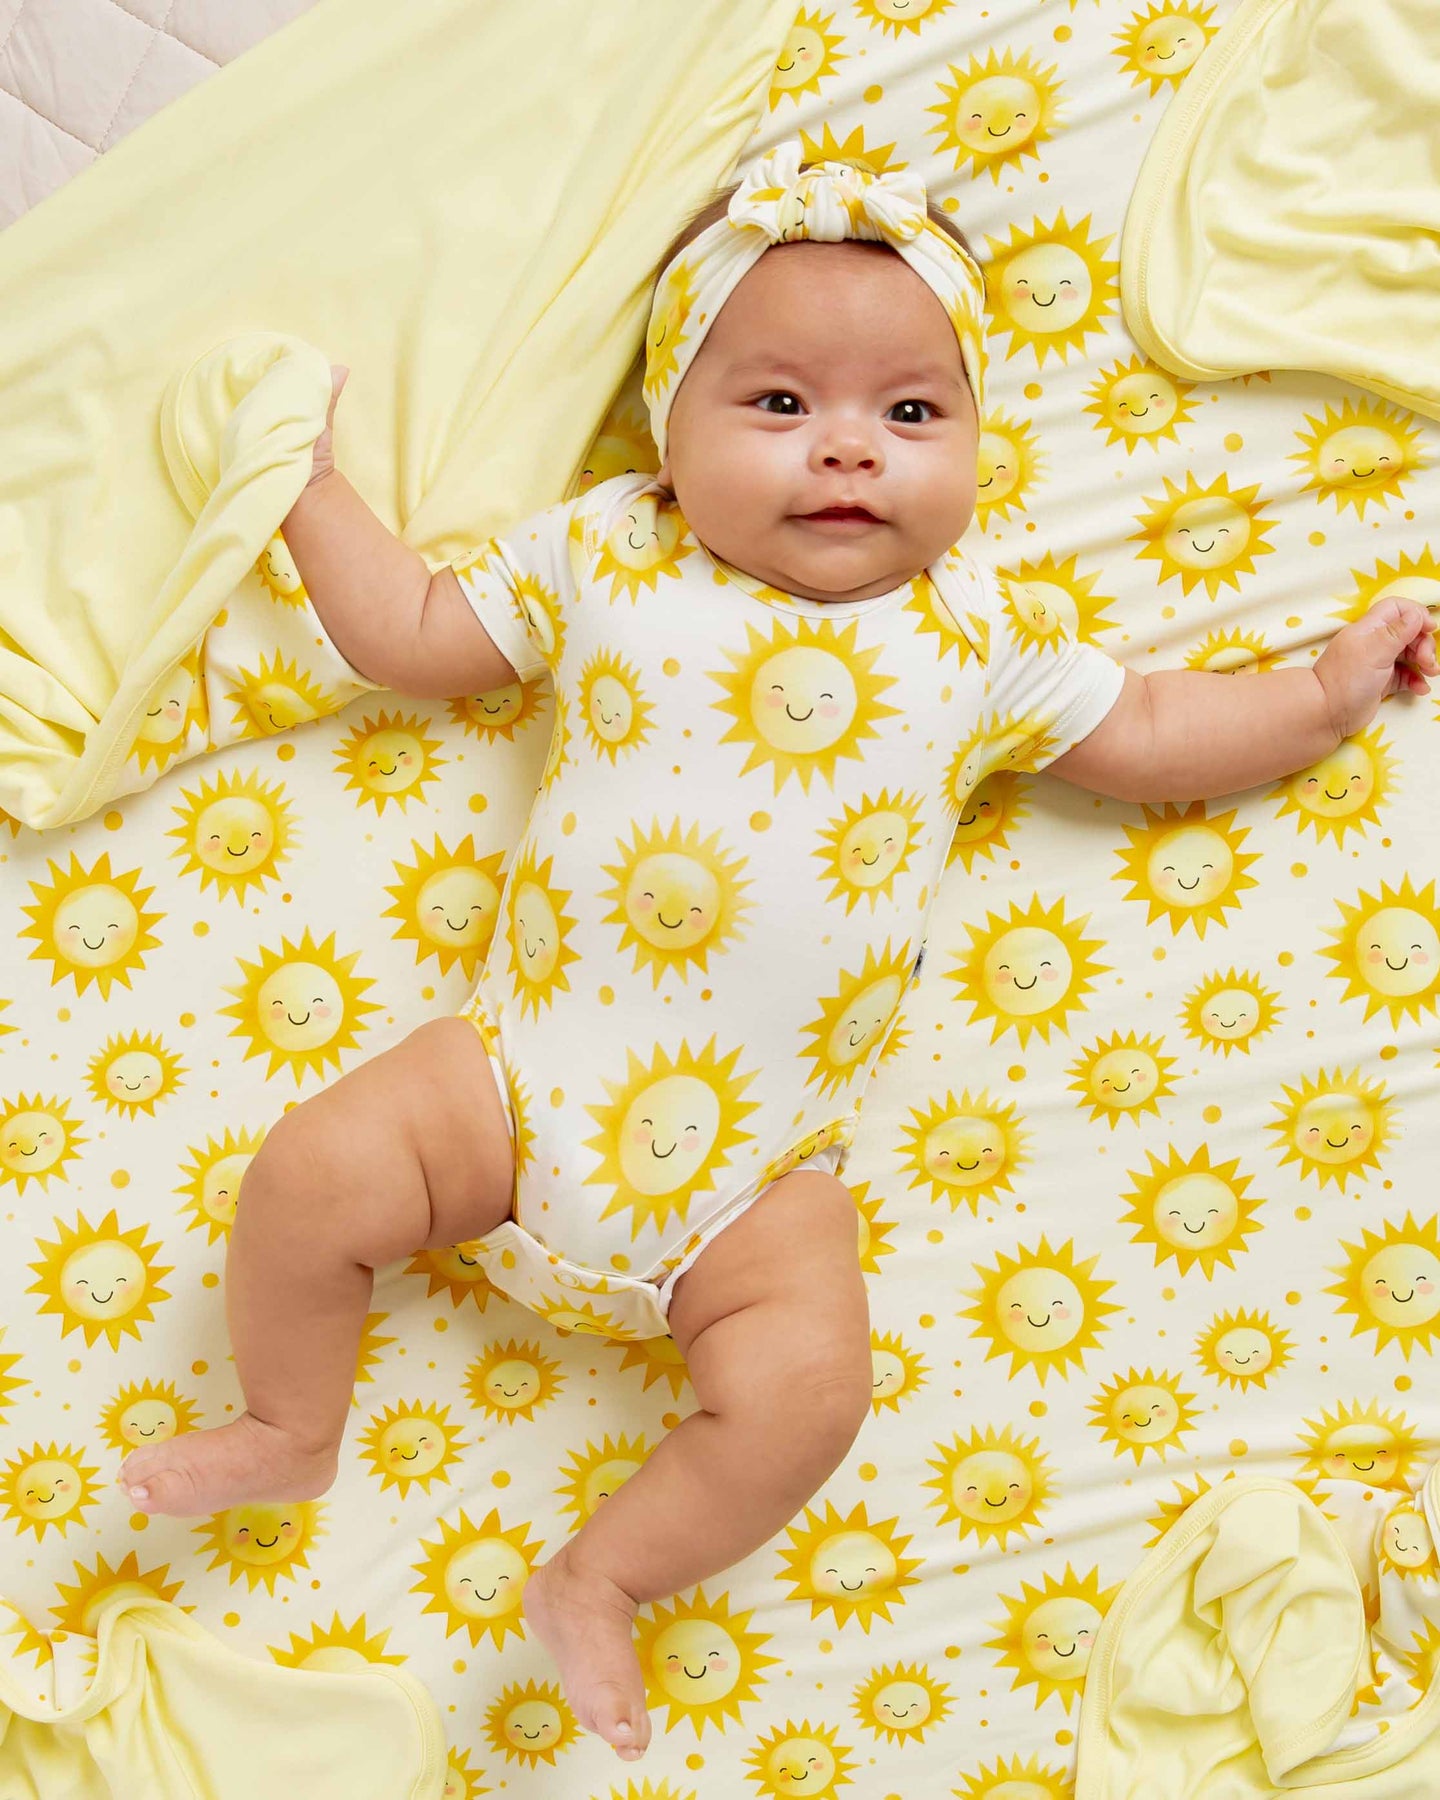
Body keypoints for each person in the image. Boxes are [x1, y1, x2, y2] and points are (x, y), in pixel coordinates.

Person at [116, 141, 1437, 1761]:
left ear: (974, 442)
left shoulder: (980, 631)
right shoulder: (609, 553)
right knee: (314, 1175)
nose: (848, 451)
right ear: (670, 431)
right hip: (511, 1090)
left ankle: (605, 1574)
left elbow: (1158, 729)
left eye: (912, 412)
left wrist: (1321, 693)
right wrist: (312, 489)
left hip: (753, 1182)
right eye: (780, 404)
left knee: (814, 1392)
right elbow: (412, 634)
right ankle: (289, 1421)